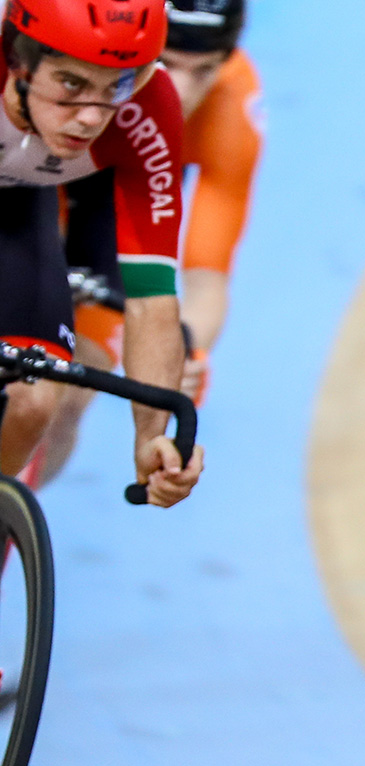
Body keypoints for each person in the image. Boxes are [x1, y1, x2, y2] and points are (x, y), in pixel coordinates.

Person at [39, 0, 255, 484]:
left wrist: (189, 350)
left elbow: (206, 274)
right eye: (166, 63)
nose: (179, 90)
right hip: (42, 168)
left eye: (203, 71)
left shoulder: (231, 104)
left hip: (122, 198)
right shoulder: (76, 61)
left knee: (67, 399)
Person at [0, 0, 200, 506]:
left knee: (34, 398)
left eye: (116, 84)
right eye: (71, 83)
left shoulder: (149, 108)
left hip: (17, 210)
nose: (92, 116)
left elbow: (152, 299)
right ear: (19, 56)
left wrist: (152, 436)